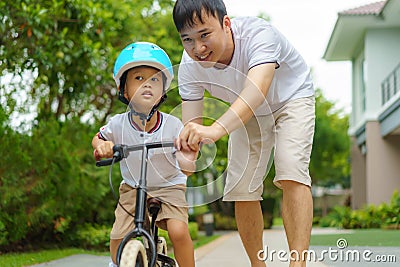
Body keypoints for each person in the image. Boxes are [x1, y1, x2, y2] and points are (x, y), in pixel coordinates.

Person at [173, 1, 315, 267]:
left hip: (290, 99)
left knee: (290, 169)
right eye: (188, 40)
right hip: (249, 111)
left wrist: (216, 129)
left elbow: (257, 88)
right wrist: (186, 158)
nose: (198, 48)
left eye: (205, 35)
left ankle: (298, 264)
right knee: (240, 187)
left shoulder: (258, 35)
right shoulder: (189, 68)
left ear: (226, 24)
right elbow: (191, 127)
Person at [92, 42, 196, 267]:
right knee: (117, 237)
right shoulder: (118, 124)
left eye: (154, 80)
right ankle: (121, 262)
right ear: (125, 90)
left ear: (162, 92)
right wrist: (103, 146)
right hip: (132, 186)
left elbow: (187, 163)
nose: (147, 85)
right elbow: (99, 138)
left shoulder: (173, 125)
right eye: (138, 78)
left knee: (178, 231)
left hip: (169, 185)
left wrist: (188, 156)